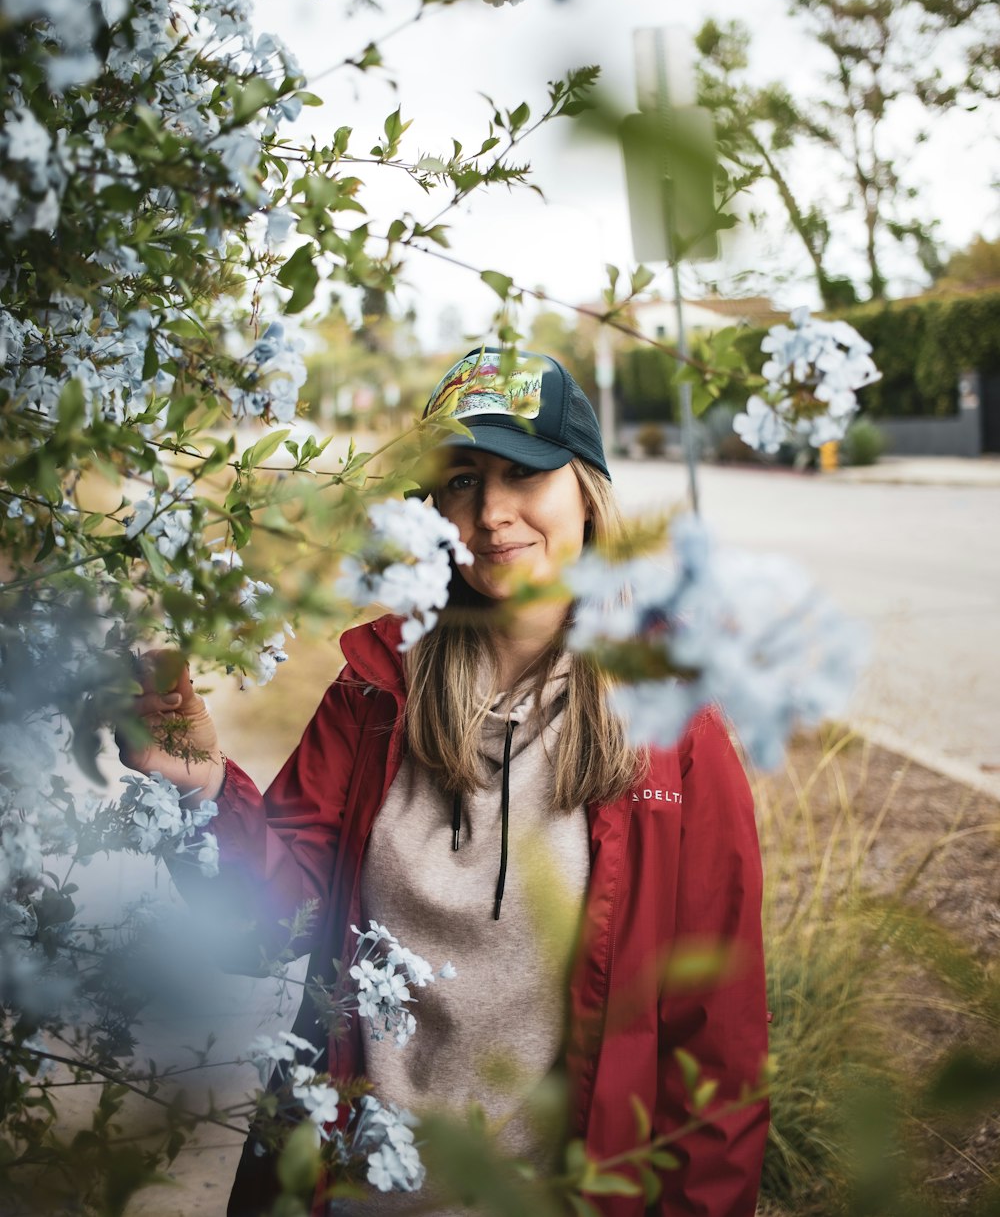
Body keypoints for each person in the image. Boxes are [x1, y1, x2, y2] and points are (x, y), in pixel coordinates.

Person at [123, 346, 769, 1217]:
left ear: (586, 489)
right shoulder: (374, 690)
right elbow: (263, 928)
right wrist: (200, 790)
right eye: (461, 481)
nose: (493, 511)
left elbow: (716, 1043)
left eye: (523, 472)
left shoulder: (674, 724)